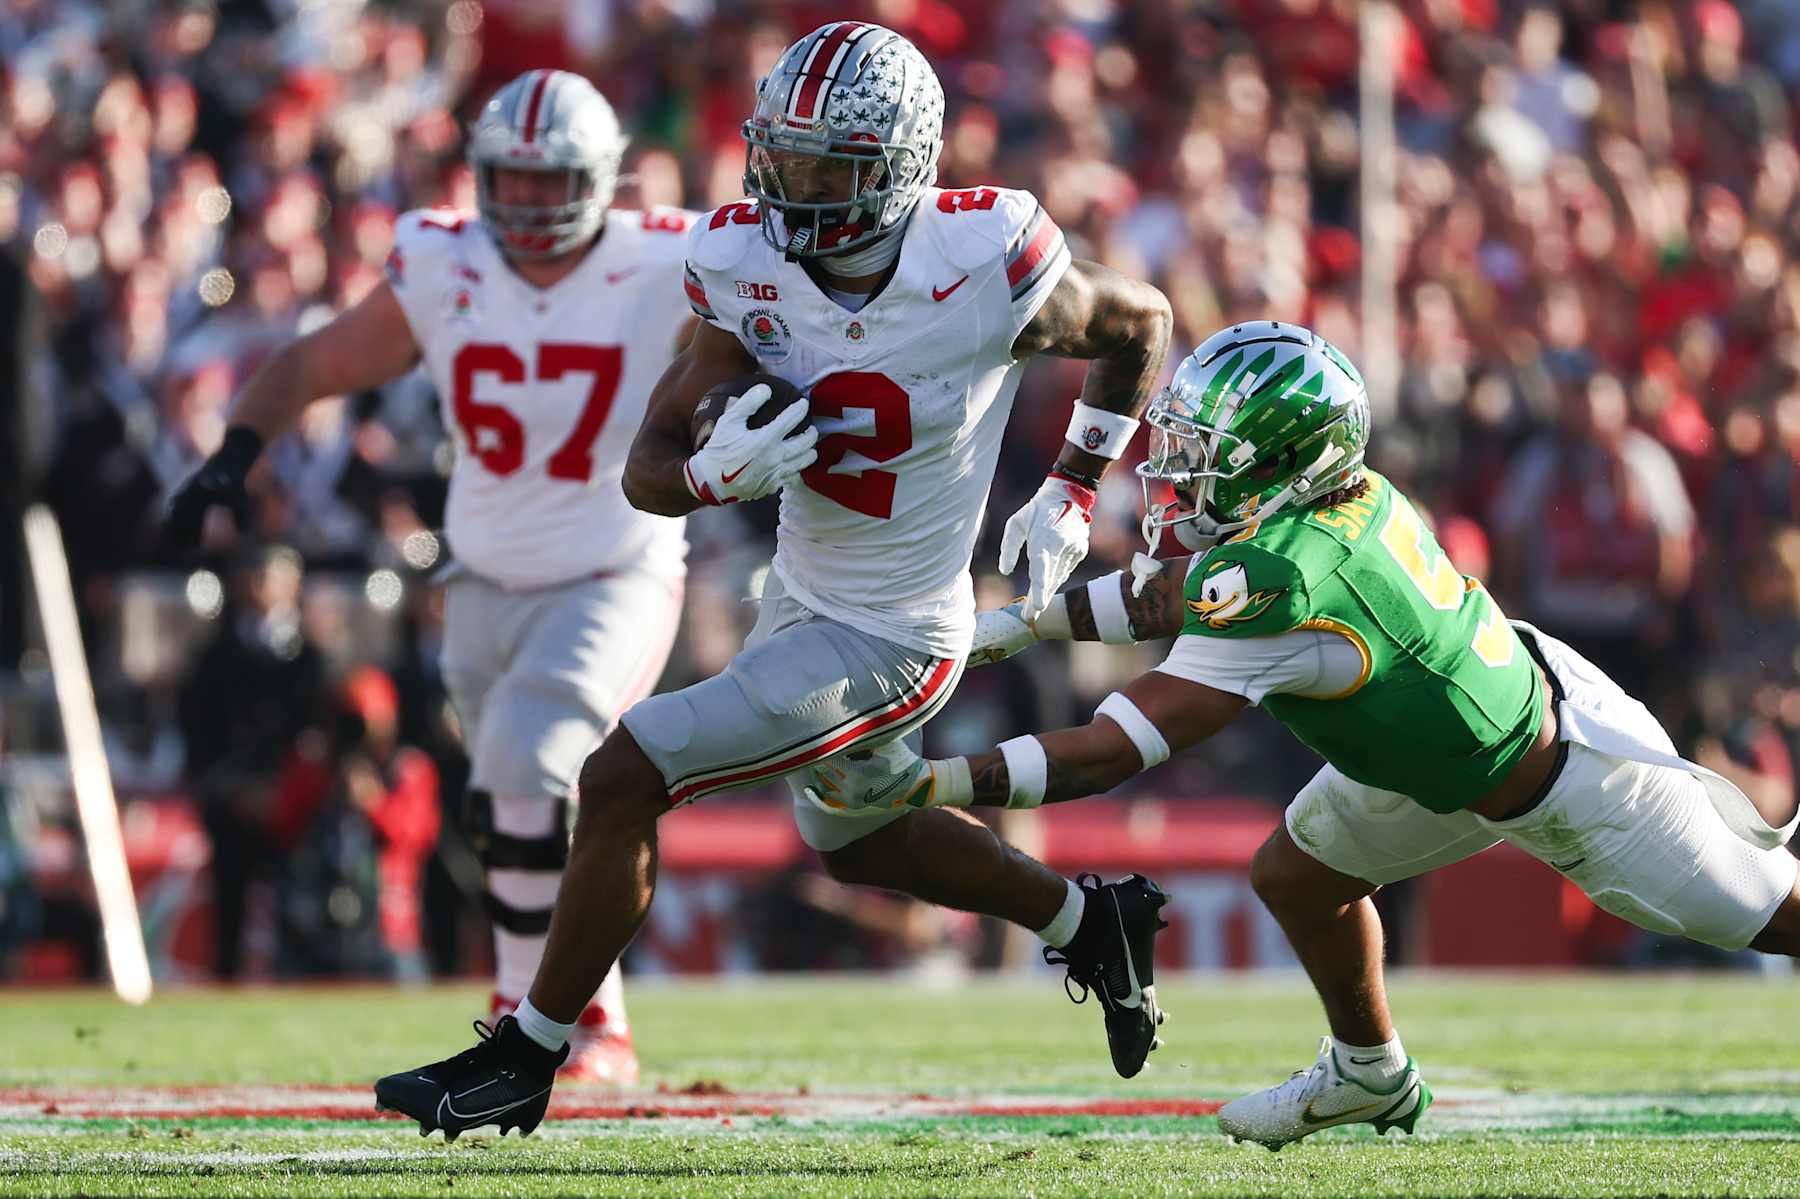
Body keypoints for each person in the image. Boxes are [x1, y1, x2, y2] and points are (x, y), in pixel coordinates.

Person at [373, 20, 1174, 1140]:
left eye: (826, 167)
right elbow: (645, 471)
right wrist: (707, 471)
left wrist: (1075, 489)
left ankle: (532, 1049)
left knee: (621, 775)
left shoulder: (984, 258)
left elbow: (1140, 323)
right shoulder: (743, 260)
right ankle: (1089, 921)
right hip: (800, 599)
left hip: (896, 630)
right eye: (781, 158)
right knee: (862, 840)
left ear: (900, 167)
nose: (792, 188)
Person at [806, 320, 1800, 1150]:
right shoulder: (1317, 514)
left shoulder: (1285, 578)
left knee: (1771, 912)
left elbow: (1114, 745)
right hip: (1445, 744)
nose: (1178, 469)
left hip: (1570, 780)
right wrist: (1007, 627)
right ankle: (1370, 1072)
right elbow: (1170, 596)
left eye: (1207, 452)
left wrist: (924, 783)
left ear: (1285, 464)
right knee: (1298, 873)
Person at [163, 70, 698, 1083]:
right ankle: (547, 1013)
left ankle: (569, 1026)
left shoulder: (667, 255)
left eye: (553, 183)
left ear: (601, 180)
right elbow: (321, 360)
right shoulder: (447, 258)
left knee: (540, 753)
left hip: (614, 565)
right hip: (485, 574)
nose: (531, 205)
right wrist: (234, 453)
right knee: (505, 793)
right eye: (513, 181)